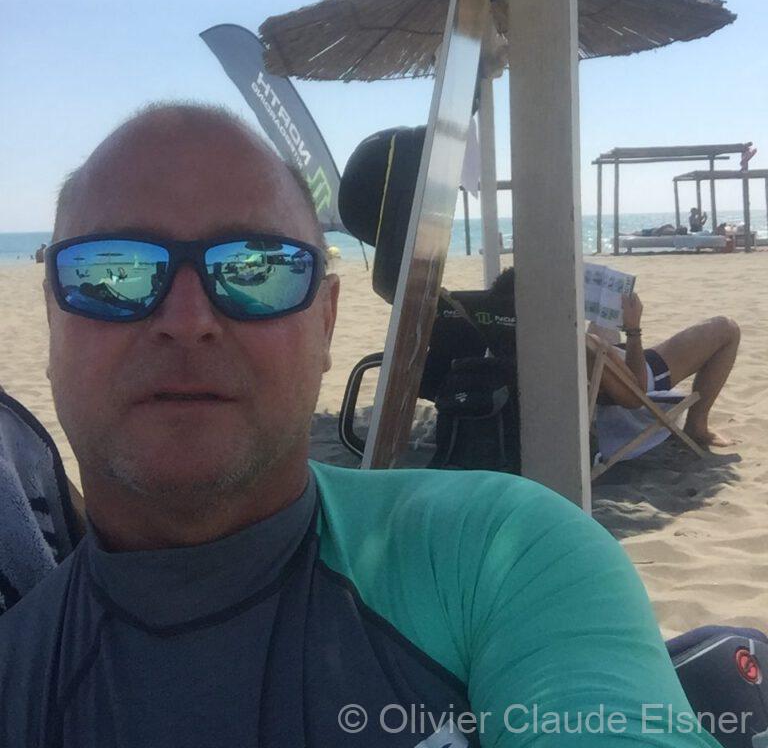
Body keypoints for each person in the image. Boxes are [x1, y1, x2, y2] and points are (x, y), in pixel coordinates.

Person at [0, 104, 720, 747]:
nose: (187, 322)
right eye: (113, 271)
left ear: (327, 321)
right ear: (52, 322)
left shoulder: (501, 555)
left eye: (258, 268)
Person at [590, 292, 739, 448]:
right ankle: (696, 427)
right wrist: (633, 330)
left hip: (603, 367)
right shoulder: (592, 347)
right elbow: (635, 394)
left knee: (605, 312)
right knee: (727, 328)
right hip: (636, 375)